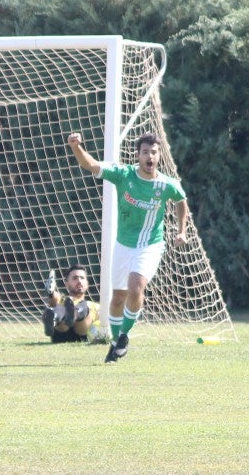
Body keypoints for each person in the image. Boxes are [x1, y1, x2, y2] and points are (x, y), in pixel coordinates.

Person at [66, 131, 188, 363]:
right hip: (123, 245)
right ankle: (115, 342)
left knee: (135, 287)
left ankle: (123, 336)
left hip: (150, 245)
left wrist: (181, 231)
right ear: (138, 156)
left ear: (159, 155)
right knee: (118, 298)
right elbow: (89, 164)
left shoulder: (165, 184)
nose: (149, 156)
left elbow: (181, 201)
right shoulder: (124, 175)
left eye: (154, 152)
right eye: (145, 152)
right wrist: (75, 147)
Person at [43, 265, 93, 343]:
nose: (79, 281)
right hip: (61, 331)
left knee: (85, 306)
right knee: (60, 307)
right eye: (75, 278)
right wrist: (51, 293)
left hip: (82, 332)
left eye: (82, 278)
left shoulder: (92, 305)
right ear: (66, 283)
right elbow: (55, 299)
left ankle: (74, 314)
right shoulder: (63, 300)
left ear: (87, 283)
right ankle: (53, 319)